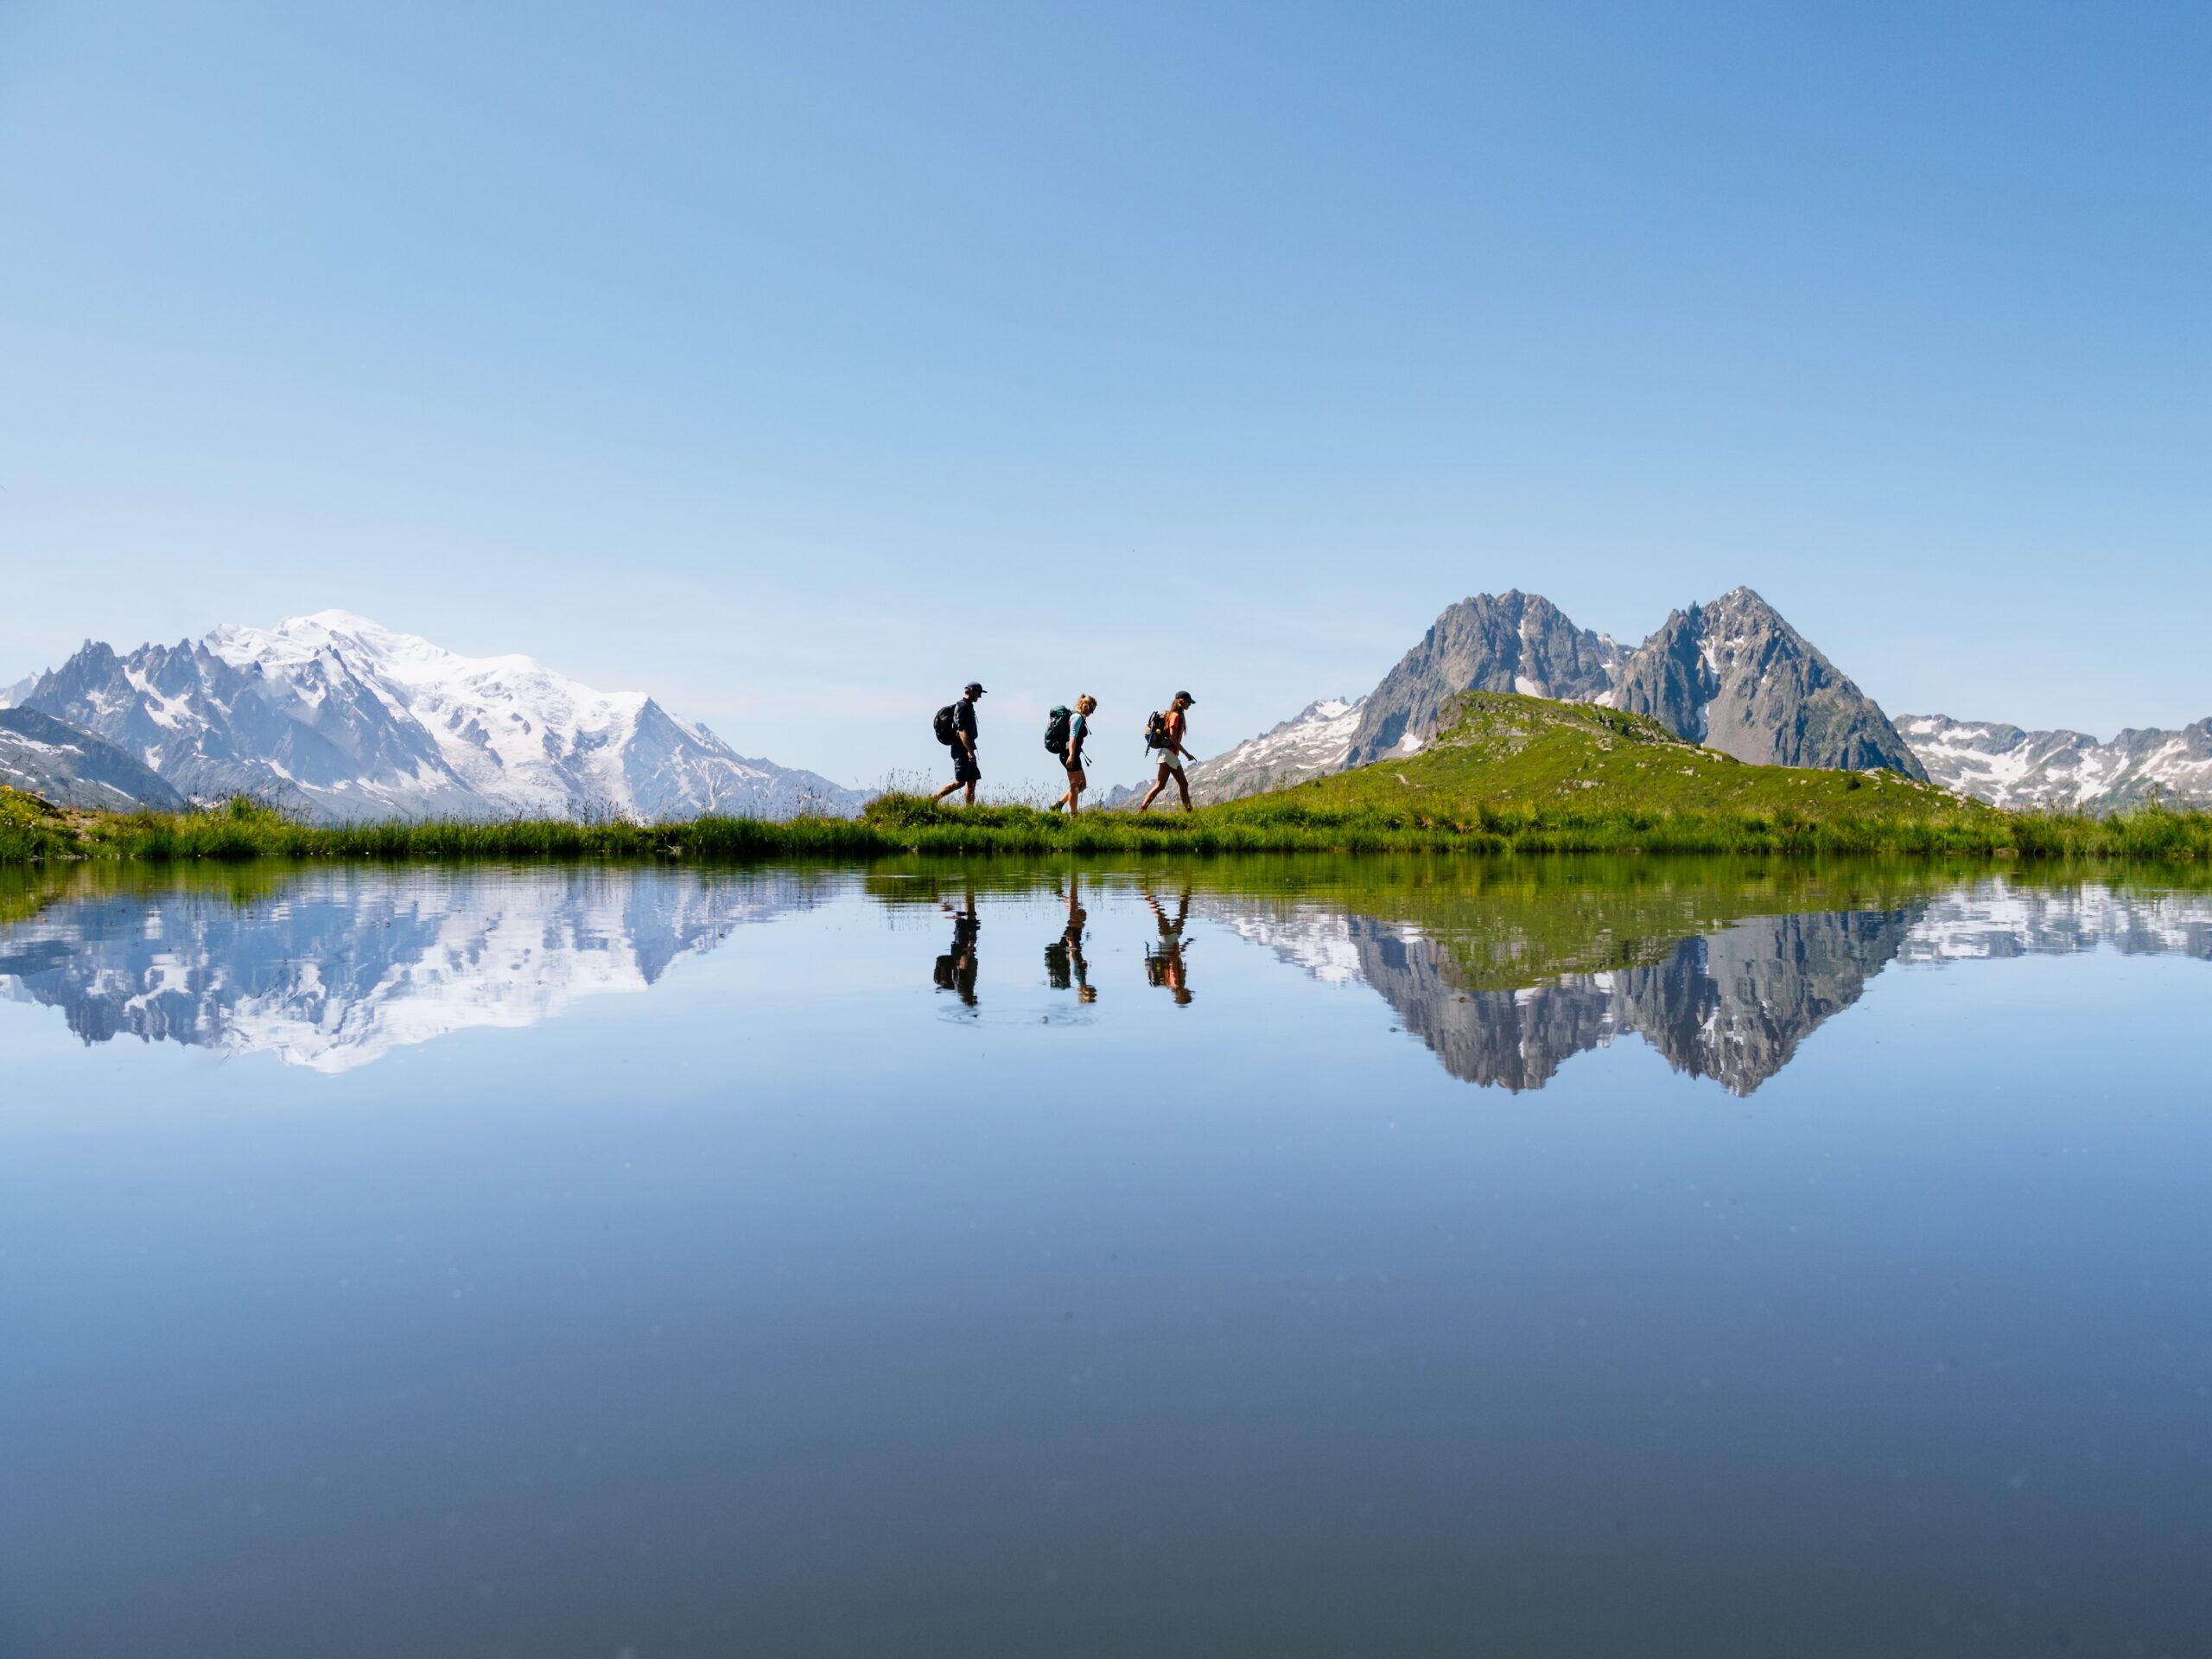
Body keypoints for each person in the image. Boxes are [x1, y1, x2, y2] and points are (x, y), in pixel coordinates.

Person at [1136, 690, 1197, 813]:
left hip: (1171, 755)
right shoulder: (1174, 716)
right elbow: (1172, 738)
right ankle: (1141, 810)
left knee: (1183, 784)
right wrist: (1187, 754)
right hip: (1168, 754)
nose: (1189, 705)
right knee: (1161, 785)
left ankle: (1190, 813)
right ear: (1182, 701)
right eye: (1188, 702)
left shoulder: (1176, 716)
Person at [1043, 874, 1096, 1002]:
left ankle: (1073, 879)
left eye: (1091, 994)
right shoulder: (1077, 984)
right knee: (1079, 914)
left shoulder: (1077, 981)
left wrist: (1071, 943)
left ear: (1084, 994)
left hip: (1072, 944)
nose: (1094, 991)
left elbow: (1073, 961)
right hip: (1073, 944)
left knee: (1075, 912)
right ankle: (1063, 893)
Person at [933, 682, 985, 804]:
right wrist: (970, 752)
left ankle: (969, 811)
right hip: (961, 748)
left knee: (972, 780)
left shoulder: (968, 706)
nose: (980, 696)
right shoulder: (963, 707)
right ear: (971, 691)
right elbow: (962, 731)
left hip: (968, 747)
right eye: (978, 692)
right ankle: (933, 800)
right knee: (960, 781)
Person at [1141, 884, 1193, 1005]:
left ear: (1183, 994)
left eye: (1187, 994)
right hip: (1167, 943)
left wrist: (1177, 953)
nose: (1188, 991)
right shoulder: (1170, 985)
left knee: (1162, 914)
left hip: (1169, 943)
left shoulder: (1176, 982)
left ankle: (1145, 892)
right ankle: (1187, 889)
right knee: (1173, 914)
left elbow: (1173, 964)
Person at [1050, 694, 1097, 816]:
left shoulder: (1076, 717)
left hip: (1072, 754)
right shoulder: (1077, 718)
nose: (1092, 713)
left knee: (1082, 785)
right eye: (1091, 710)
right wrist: (1071, 755)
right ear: (1085, 706)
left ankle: (1058, 806)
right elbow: (1072, 737)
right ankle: (1074, 815)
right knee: (1075, 788)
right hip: (1070, 755)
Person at [932, 888, 981, 1009]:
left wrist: (968, 949)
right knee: (966, 920)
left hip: (963, 949)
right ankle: (966, 894)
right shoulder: (965, 990)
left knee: (963, 921)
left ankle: (946, 904)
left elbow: (962, 968)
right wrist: (969, 948)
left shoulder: (964, 990)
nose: (976, 999)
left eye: (973, 1001)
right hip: (965, 949)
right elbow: (963, 969)